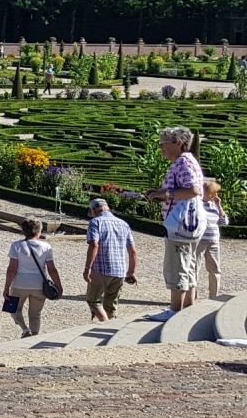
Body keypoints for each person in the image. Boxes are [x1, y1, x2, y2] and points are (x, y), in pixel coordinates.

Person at [144, 126, 205, 321]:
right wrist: (159, 194)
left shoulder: (183, 162)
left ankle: (175, 310)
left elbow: (193, 190)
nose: (160, 147)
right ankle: (186, 308)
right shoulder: (187, 161)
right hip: (188, 223)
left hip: (180, 224)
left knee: (177, 266)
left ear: (178, 143)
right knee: (188, 264)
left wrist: (165, 194)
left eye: (163, 143)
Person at [3, 221, 62, 338]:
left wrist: (6, 287)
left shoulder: (16, 245)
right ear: (39, 231)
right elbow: (52, 269)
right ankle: (34, 337)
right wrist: (59, 286)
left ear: (23, 231)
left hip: (20, 283)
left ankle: (25, 329)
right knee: (35, 314)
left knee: (12, 308)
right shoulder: (46, 247)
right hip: (40, 284)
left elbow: (12, 269)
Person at [83, 198, 137, 322]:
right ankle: (110, 330)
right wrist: (131, 271)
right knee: (111, 305)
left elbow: (94, 245)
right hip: (120, 271)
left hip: (101, 269)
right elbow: (132, 250)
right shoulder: (123, 223)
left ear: (95, 209)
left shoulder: (95, 222)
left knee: (93, 300)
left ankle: (105, 324)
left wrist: (87, 268)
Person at [199, 180, 227, 299]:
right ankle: (191, 297)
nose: (215, 195)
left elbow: (224, 222)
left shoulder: (213, 205)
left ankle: (213, 297)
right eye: (213, 193)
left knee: (215, 269)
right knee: (194, 268)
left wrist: (219, 206)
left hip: (213, 241)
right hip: (200, 241)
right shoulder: (198, 204)